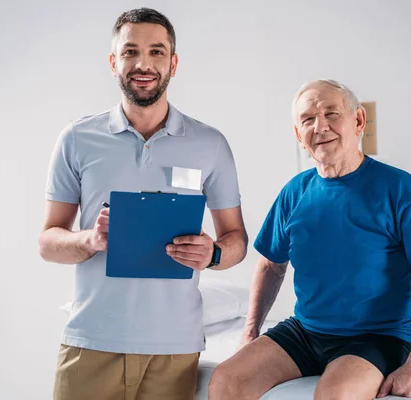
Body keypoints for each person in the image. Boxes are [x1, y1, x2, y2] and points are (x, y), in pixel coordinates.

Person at [208, 79, 411, 400]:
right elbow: (271, 266)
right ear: (298, 135)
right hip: (305, 331)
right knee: (225, 379)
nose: (320, 126)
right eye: (308, 120)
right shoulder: (295, 191)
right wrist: (250, 332)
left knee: (336, 394)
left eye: (332, 114)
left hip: (380, 335)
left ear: (357, 121)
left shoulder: (398, 188)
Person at [39, 8, 248, 400]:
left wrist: (214, 254)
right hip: (91, 342)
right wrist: (89, 241)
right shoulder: (77, 138)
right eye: (131, 51)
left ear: (173, 62)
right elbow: (48, 241)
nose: (143, 63)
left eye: (156, 51)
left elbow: (236, 239)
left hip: (174, 349)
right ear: (113, 61)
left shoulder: (210, 144)